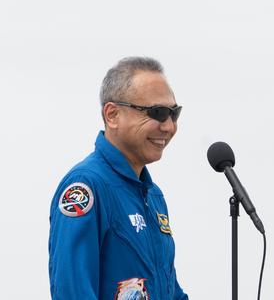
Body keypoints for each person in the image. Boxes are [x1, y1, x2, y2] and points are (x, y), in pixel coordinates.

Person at [48, 57, 189, 300]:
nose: (168, 127)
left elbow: (169, 291)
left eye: (174, 114)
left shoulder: (153, 195)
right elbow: (73, 292)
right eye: (157, 113)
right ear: (112, 114)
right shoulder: (86, 188)